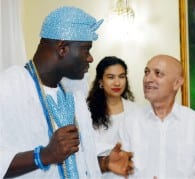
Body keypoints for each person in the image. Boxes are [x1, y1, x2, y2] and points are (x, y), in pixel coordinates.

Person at [0, 6, 132, 178]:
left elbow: (76, 160)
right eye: (86, 49)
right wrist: (44, 155)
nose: (90, 58)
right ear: (62, 48)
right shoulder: (10, 86)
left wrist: (104, 163)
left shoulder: (73, 91)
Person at [118, 54, 195, 178]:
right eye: (146, 72)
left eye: (158, 73)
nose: (148, 79)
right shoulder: (130, 122)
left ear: (177, 83)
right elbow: (120, 173)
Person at [87, 56, 137, 178]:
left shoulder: (136, 111)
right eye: (110, 77)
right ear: (100, 81)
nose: (117, 82)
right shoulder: (86, 111)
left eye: (121, 76)